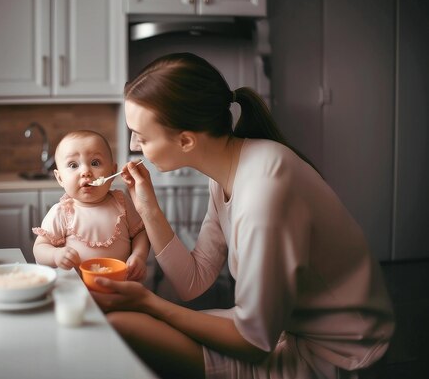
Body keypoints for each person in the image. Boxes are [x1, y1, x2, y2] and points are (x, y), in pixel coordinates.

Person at [90, 53, 395, 379]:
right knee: (125, 323)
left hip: (335, 356)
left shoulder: (263, 194)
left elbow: (254, 341)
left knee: (126, 326)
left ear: (186, 140)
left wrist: (151, 304)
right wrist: (147, 207)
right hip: (282, 331)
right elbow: (193, 280)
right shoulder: (228, 166)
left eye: (142, 136)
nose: (134, 146)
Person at [32, 130, 149, 281]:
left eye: (95, 163)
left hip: (121, 286)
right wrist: (55, 255)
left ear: (112, 171)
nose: (85, 172)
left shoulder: (122, 202)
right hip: (78, 290)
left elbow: (140, 233)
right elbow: (39, 248)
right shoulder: (61, 212)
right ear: (60, 178)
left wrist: (139, 256)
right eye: (73, 165)